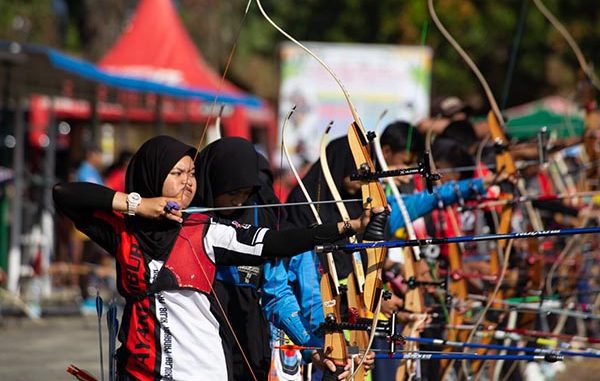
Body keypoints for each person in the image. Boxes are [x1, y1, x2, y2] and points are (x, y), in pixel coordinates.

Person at [53, 135, 386, 381]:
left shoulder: (207, 229)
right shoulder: (124, 232)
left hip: (203, 371)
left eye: (192, 173)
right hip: (141, 371)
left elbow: (278, 243)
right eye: (178, 174)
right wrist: (138, 204)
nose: (188, 183)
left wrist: (349, 225)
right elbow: (65, 195)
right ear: (154, 174)